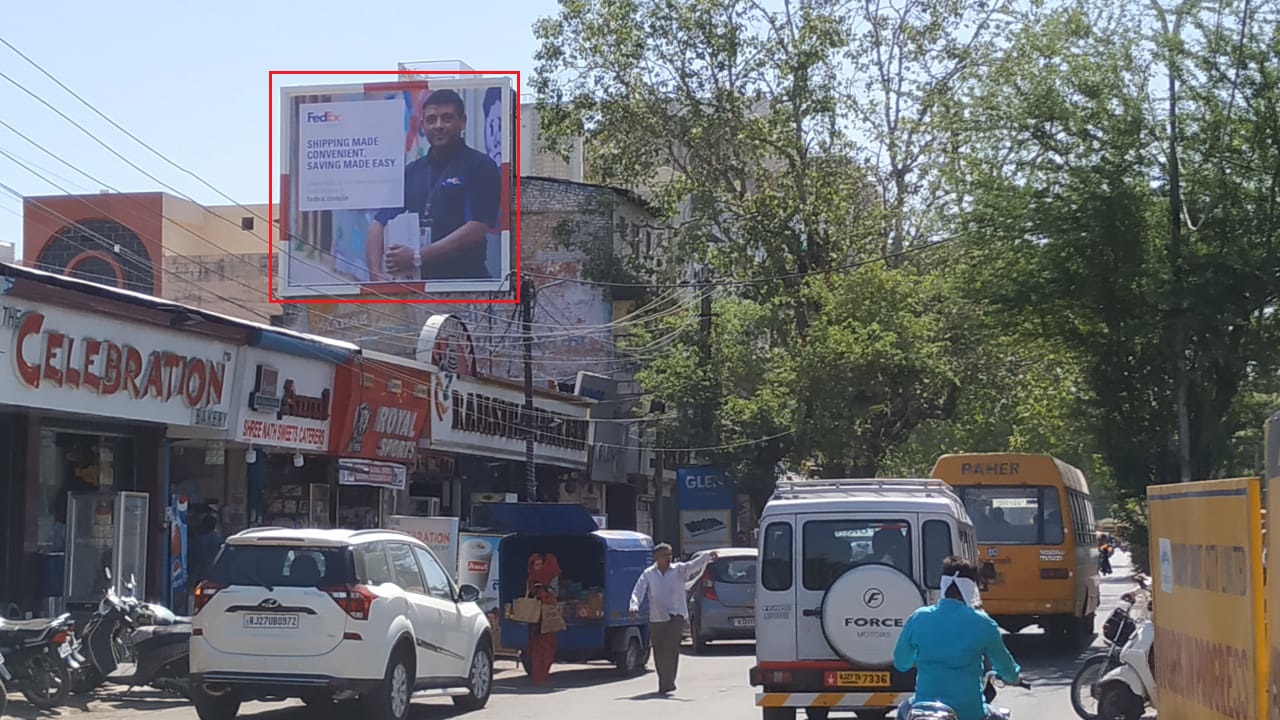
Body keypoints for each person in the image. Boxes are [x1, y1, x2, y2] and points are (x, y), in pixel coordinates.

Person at [366, 88, 502, 282]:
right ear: (423, 125)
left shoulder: (479, 165)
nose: (438, 126)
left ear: (462, 122)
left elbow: (476, 230)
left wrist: (417, 256)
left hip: (466, 286)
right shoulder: (412, 171)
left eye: (447, 118)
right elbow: (378, 223)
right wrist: (375, 275)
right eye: (431, 119)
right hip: (419, 287)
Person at [893, 556, 1022, 720]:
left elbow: (901, 663)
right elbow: (1006, 667)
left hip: (924, 708)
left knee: (904, 710)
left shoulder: (919, 618)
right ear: (971, 587)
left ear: (943, 585)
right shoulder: (983, 623)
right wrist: (1014, 677)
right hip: (969, 712)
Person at [629, 543, 717, 695]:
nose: (669, 558)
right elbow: (639, 589)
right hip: (657, 617)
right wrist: (634, 605)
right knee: (659, 651)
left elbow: (693, 565)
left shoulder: (678, 570)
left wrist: (707, 557)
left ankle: (667, 682)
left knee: (670, 648)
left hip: (675, 616)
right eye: (665, 555)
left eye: (670, 554)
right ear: (657, 557)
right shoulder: (649, 574)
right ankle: (664, 681)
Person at [525, 553, 562, 686]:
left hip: (547, 617)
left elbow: (554, 592)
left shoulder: (551, 576)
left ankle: (544, 672)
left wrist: (545, 594)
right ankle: (538, 675)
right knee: (535, 648)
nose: (538, 567)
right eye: (536, 564)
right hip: (535, 619)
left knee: (548, 646)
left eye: (541, 564)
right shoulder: (531, 579)